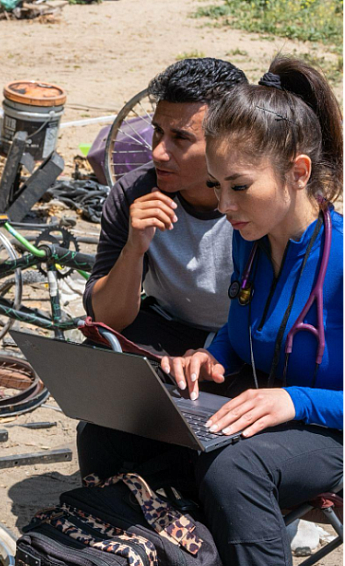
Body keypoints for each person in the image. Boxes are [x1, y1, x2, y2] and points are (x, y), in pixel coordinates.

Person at [79, 56, 344, 566]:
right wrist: (208, 355)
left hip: (331, 426)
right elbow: (237, 330)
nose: (224, 206)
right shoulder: (252, 244)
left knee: (236, 470)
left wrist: (296, 401)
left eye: (239, 187)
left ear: (298, 173)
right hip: (276, 410)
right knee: (111, 425)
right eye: (218, 187)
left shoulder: (339, 258)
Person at [84, 59, 247, 357]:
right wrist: (134, 249)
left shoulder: (260, 200)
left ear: (227, 142)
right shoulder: (134, 193)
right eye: (158, 132)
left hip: (247, 342)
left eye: (181, 138)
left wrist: (216, 355)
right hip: (168, 329)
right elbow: (108, 318)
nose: (158, 152)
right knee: (96, 360)